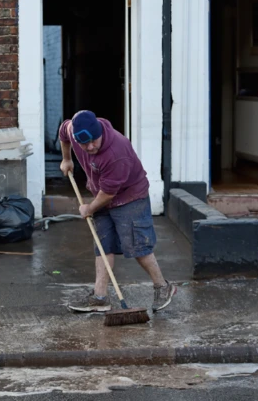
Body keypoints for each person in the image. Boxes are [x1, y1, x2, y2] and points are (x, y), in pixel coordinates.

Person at [59, 110, 176, 313]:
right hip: (101, 193)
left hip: (129, 197)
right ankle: (100, 297)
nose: (90, 147)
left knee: (137, 245)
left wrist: (89, 208)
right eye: (84, 144)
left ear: (99, 132)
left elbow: (108, 194)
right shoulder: (74, 131)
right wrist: (67, 159)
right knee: (103, 245)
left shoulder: (117, 151)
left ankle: (163, 287)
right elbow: (64, 132)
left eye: (94, 141)